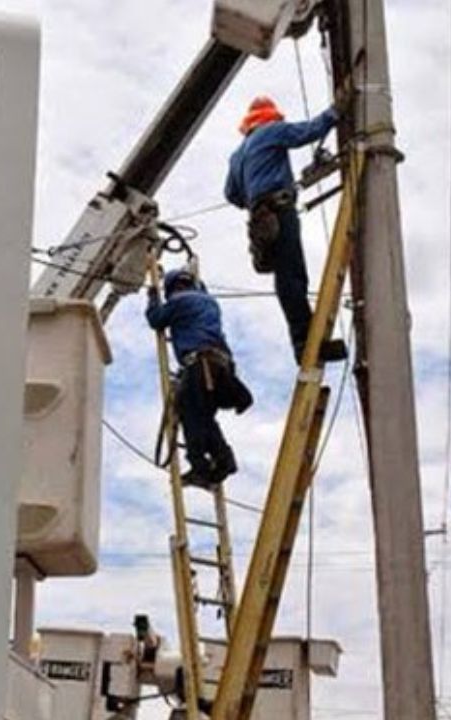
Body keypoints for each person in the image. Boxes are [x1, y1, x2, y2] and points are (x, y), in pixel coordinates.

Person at [224, 95, 348, 365]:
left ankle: (304, 341)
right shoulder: (273, 131)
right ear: (270, 116)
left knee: (285, 276)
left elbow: (231, 194)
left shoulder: (237, 156)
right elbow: (307, 132)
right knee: (293, 275)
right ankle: (306, 343)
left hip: (260, 218)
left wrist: (254, 195)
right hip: (279, 211)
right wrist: (334, 112)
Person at [145, 268, 252, 487]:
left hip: (201, 363)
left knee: (190, 413)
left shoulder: (179, 301)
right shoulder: (209, 301)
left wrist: (153, 296)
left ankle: (200, 467)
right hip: (221, 366)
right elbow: (200, 290)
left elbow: (156, 319)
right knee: (204, 417)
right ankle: (223, 459)